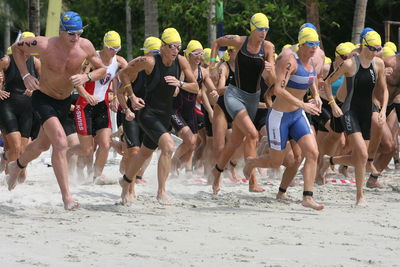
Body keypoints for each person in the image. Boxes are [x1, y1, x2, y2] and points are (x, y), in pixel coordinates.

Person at [6, 11, 106, 210]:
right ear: (61, 30)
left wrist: (87, 78)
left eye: (78, 33)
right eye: (71, 34)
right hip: (43, 98)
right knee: (60, 144)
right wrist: (25, 75)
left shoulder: (85, 46)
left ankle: (16, 165)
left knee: (42, 145)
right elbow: (16, 49)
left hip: (64, 101)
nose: (75, 38)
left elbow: (102, 69)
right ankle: (67, 197)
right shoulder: (44, 44)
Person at [242, 27, 324, 210]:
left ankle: (307, 197)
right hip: (279, 117)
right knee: (275, 162)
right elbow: (278, 90)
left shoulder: (312, 60)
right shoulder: (290, 61)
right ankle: (252, 162)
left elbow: (313, 79)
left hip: (297, 115)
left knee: (311, 153)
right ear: (301, 45)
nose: (314, 48)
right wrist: (303, 104)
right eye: (310, 44)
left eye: (316, 44)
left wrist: (316, 95)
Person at [118, 28, 199, 205]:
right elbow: (122, 74)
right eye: (172, 46)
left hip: (165, 115)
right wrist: (131, 96)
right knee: (168, 146)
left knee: (143, 154)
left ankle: (126, 180)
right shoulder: (149, 61)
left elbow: (195, 87)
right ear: (162, 46)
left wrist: (180, 83)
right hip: (147, 113)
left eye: (178, 46)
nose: (175, 50)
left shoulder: (181, 61)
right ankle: (161, 192)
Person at [209, 13, 275, 194]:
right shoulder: (239, 41)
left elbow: (273, 81)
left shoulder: (268, 48)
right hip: (234, 94)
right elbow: (217, 42)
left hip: (253, 98)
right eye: (261, 29)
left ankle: (217, 172)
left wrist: (270, 71)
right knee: (253, 134)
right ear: (253, 28)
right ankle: (252, 181)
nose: (264, 33)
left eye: (266, 29)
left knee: (235, 142)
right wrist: (213, 64)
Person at [321, 30, 388, 206]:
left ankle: (330, 160)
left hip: (366, 112)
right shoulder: (350, 64)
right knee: (362, 153)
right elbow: (327, 83)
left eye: (378, 48)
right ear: (364, 46)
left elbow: (385, 90)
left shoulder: (378, 64)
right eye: (372, 48)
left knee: (361, 158)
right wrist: (333, 104)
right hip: (350, 111)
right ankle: (360, 196)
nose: (375, 52)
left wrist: (383, 110)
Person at [67, 30, 128, 183]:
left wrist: (117, 95)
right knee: (87, 149)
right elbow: (76, 81)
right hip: (84, 106)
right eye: (112, 48)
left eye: (117, 49)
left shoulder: (119, 61)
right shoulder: (93, 60)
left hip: (102, 105)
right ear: (105, 46)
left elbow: (127, 76)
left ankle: (96, 174)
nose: (114, 52)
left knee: (105, 144)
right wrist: (86, 95)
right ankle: (68, 154)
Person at [0, 32, 41, 180]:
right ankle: (10, 178)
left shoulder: (35, 62)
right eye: (27, 43)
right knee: (16, 147)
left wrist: (35, 87)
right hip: (7, 106)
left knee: (23, 151)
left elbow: (44, 81)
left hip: (27, 109)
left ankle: (6, 158)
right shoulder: (7, 60)